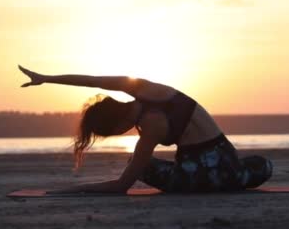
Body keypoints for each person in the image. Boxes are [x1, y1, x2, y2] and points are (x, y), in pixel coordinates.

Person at [18, 65, 273, 193]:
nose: (121, 134)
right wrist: (46, 78)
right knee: (262, 164)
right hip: (231, 170)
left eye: (115, 133)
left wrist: (75, 189)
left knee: (140, 163)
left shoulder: (151, 124)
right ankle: (235, 176)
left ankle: (212, 180)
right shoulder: (144, 89)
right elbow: (91, 81)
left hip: (195, 179)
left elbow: (123, 185)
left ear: (117, 124)